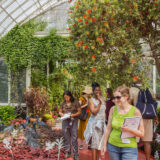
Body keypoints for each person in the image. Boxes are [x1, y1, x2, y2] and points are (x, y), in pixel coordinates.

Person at [102, 85, 144, 160]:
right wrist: (104, 144)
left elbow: (141, 133)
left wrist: (128, 130)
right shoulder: (113, 109)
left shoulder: (135, 111)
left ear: (126, 96)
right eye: (114, 98)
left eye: (118, 97)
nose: (115, 100)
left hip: (129, 148)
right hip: (113, 146)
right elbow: (108, 128)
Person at [130, 82, 159, 160]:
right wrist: (156, 118)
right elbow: (154, 105)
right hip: (148, 118)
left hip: (136, 118)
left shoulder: (132, 90)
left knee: (134, 142)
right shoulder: (149, 89)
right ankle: (147, 159)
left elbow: (129, 104)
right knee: (147, 142)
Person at [84, 82, 106, 160]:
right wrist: (100, 103)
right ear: (93, 91)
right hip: (95, 124)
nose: (98, 92)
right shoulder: (91, 100)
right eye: (96, 90)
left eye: (99, 90)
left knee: (99, 145)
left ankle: (97, 158)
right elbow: (93, 112)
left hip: (102, 124)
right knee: (94, 145)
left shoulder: (103, 99)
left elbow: (104, 112)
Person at [59, 91, 81, 160]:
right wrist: (61, 114)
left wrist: (72, 115)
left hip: (74, 121)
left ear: (70, 96)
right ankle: (68, 152)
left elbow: (79, 112)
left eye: (67, 97)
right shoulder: (63, 103)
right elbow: (60, 111)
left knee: (74, 138)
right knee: (66, 138)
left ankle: (76, 154)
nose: (66, 99)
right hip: (65, 122)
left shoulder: (75, 102)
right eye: (65, 97)